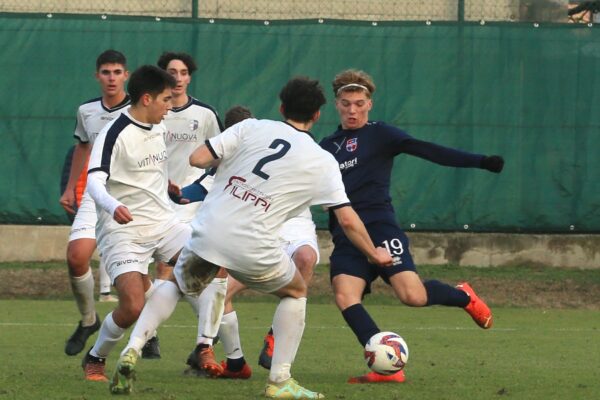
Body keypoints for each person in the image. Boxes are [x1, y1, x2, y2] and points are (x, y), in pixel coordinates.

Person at [111, 77, 393, 399]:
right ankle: (280, 381)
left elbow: (197, 159)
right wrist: (373, 253)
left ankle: (132, 348)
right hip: (254, 246)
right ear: (316, 115)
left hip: (209, 232)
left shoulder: (250, 128)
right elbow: (346, 218)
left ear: (282, 107)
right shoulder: (322, 160)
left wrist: (231, 164)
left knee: (175, 283)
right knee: (297, 291)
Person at [319, 69, 504, 384]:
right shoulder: (326, 145)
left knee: (413, 296)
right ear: (337, 104)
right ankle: (388, 366)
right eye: (346, 104)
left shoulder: (382, 134)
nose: (353, 110)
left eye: (359, 104)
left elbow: (429, 150)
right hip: (348, 234)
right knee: (344, 295)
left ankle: (463, 296)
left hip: (380, 228)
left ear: (370, 104)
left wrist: (480, 160)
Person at [182, 106, 321, 379]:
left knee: (305, 259)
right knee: (218, 290)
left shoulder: (298, 146)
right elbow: (198, 187)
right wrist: (173, 195)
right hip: (256, 232)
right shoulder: (230, 163)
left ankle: (274, 340)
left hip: (291, 224)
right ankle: (231, 360)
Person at [80, 65, 191, 383]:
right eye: (166, 99)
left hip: (164, 223)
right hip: (123, 230)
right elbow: (95, 182)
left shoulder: (158, 126)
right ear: (146, 98)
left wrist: (167, 184)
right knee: (131, 305)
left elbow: (148, 169)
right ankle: (95, 358)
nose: (170, 105)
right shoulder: (113, 133)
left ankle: (207, 348)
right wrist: (113, 206)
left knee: (212, 265)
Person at [137, 51, 227, 363]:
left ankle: (193, 341)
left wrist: (201, 187)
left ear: (190, 77)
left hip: (189, 201)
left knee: (177, 265)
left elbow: (220, 155)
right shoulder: (150, 113)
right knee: (144, 269)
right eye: (172, 72)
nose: (178, 78)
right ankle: (177, 333)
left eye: (184, 72)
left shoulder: (204, 114)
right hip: (153, 198)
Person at [60, 50, 130, 357]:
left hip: (131, 194)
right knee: (77, 257)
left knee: (136, 268)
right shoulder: (87, 110)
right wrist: (68, 189)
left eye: (117, 72)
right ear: (97, 76)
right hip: (94, 192)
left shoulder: (139, 107)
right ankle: (89, 319)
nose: (111, 77)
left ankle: (148, 331)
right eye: (106, 72)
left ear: (126, 75)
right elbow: (82, 147)